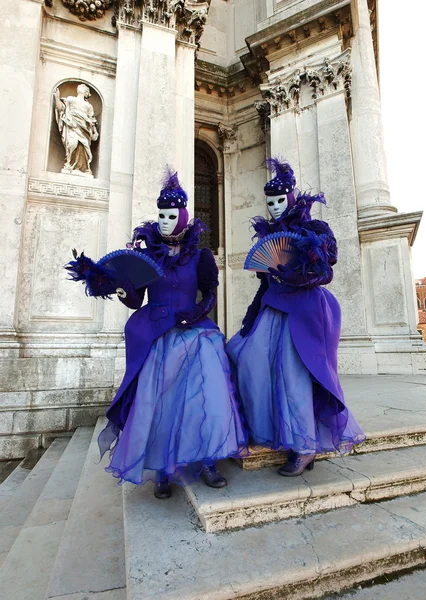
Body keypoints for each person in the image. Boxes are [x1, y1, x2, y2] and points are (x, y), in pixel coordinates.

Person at [96, 169, 247, 498]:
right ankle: (164, 467)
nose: (165, 221)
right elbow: (137, 300)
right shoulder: (148, 256)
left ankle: (208, 461)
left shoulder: (201, 256)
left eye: (171, 215)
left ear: (184, 217)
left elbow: (208, 293)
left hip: (195, 333)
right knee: (160, 402)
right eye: (161, 215)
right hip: (158, 333)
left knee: (206, 397)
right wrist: (122, 289)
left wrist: (196, 311)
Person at [227, 157, 365, 476]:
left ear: (290, 199)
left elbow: (325, 272)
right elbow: (264, 286)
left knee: (294, 376)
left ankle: (304, 447)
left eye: (279, 201)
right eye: (270, 203)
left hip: (305, 310)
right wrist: (249, 323)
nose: (274, 208)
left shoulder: (316, 230)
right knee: (247, 359)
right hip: (273, 310)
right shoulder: (267, 238)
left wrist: (295, 277)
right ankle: (272, 430)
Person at [53, 84, 99, 176]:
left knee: (83, 147)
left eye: (84, 87)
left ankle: (83, 168)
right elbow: (61, 108)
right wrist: (57, 98)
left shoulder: (89, 106)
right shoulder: (70, 99)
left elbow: (92, 120)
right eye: (80, 86)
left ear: (86, 93)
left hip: (84, 130)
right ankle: (69, 164)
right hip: (72, 126)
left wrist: (95, 131)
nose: (81, 86)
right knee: (72, 144)